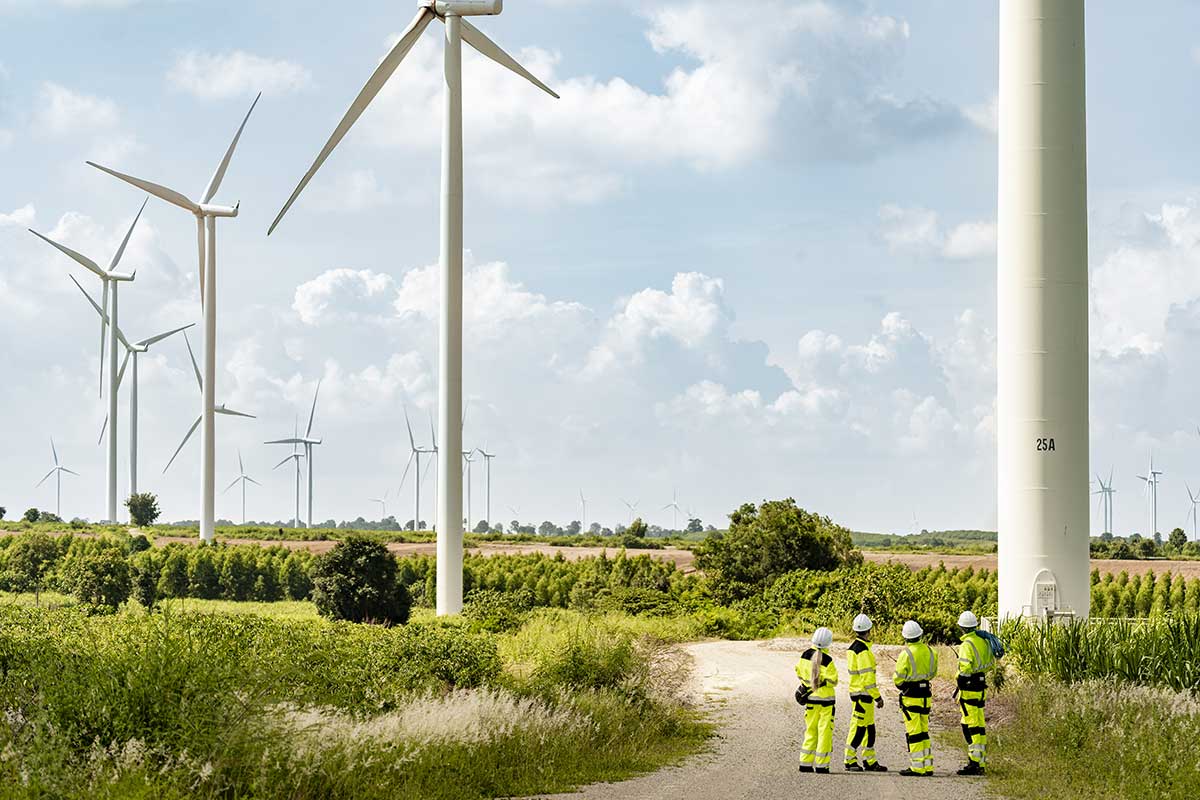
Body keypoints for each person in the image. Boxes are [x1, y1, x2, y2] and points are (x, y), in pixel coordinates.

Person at [892, 619, 937, 777]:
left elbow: (898, 679)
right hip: (926, 696)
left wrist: (904, 683)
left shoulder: (906, 654)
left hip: (911, 697)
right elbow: (932, 674)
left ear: (905, 637)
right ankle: (927, 765)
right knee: (924, 731)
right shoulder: (931, 651)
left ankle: (917, 767)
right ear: (920, 635)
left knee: (914, 732)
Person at [843, 613, 886, 772]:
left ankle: (869, 760)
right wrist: (878, 697)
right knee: (859, 728)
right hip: (863, 695)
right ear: (869, 630)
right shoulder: (863, 652)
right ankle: (850, 760)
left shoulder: (854, 648)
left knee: (869, 728)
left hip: (859, 694)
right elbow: (868, 679)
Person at [954, 610, 995, 776]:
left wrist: (961, 680)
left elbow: (964, 669)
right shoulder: (984, 642)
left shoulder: (966, 645)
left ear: (962, 628)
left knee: (969, 725)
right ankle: (980, 760)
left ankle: (974, 762)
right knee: (978, 724)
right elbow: (990, 664)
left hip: (969, 689)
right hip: (980, 686)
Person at [797, 626, 838, 774]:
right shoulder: (828, 660)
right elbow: (834, 681)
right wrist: (824, 681)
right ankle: (822, 765)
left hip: (810, 702)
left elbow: (799, 673)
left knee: (810, 731)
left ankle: (805, 763)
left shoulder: (804, 655)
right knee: (824, 733)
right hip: (826, 703)